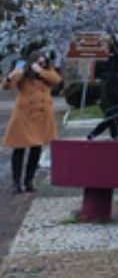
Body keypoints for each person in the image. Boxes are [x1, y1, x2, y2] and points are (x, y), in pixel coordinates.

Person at [3, 51, 62, 193]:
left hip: (42, 116)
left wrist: (40, 70)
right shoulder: (23, 72)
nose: (41, 63)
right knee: (19, 148)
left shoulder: (46, 72)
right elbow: (7, 86)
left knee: (36, 148)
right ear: (32, 61)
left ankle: (29, 181)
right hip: (24, 115)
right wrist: (13, 74)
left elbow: (57, 80)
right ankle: (16, 182)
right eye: (38, 62)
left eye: (43, 61)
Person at [86, 54, 118, 140]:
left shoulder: (107, 74)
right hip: (112, 100)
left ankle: (115, 136)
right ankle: (94, 134)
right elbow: (114, 91)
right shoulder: (114, 76)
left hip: (106, 100)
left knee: (112, 119)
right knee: (111, 119)